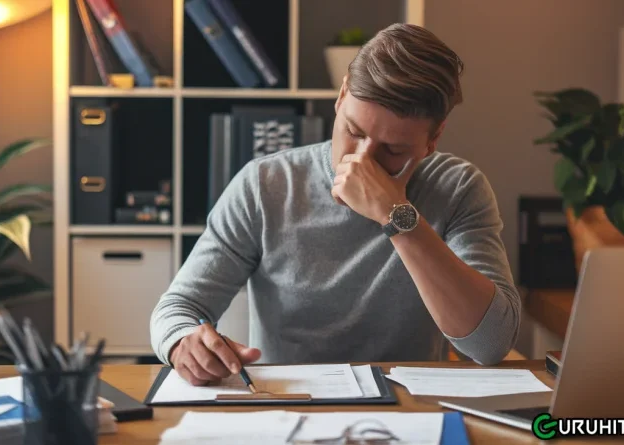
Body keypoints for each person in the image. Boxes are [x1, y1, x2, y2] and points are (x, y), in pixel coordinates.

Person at [150, 23, 521, 386]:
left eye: (393, 150)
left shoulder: (457, 188)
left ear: (433, 138)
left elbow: (489, 343)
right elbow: (178, 308)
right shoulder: (264, 185)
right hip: (288, 407)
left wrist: (396, 217)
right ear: (342, 95)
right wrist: (185, 342)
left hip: (408, 411)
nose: (363, 161)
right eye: (354, 132)